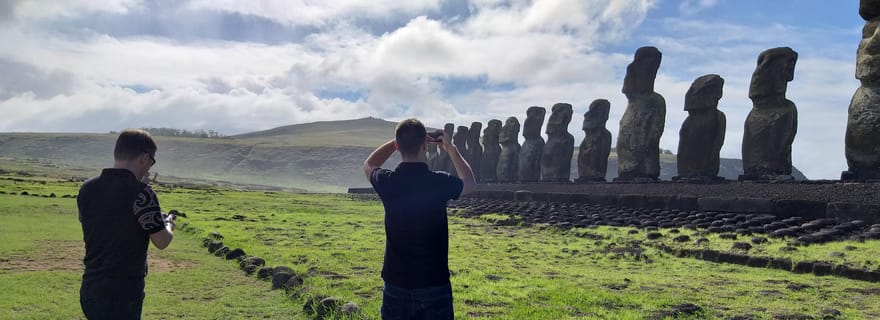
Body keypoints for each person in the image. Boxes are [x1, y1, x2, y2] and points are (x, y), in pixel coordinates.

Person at [364, 119, 476, 319]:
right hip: (434, 282)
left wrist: (397, 141)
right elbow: (469, 182)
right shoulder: (440, 181)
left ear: (398, 147)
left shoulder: (387, 181)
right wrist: (451, 149)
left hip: (396, 281)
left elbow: (369, 164)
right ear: (425, 145)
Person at [77, 129, 175, 320]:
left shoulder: (87, 188)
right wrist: (168, 223)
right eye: (151, 162)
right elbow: (162, 241)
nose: (149, 169)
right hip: (123, 292)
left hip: (91, 287)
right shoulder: (142, 193)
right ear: (144, 158)